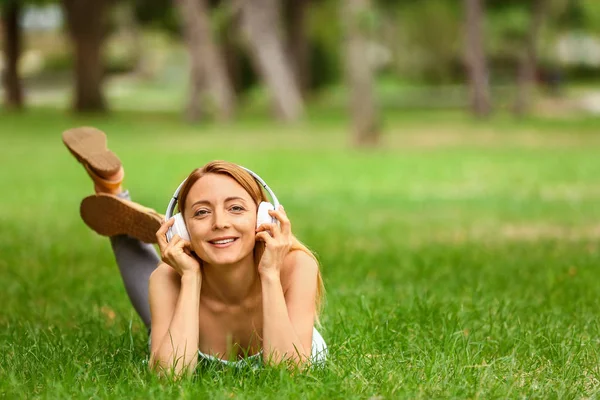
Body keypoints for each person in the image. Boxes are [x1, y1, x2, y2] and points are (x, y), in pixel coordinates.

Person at [62, 127, 327, 376]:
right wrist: (189, 278)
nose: (220, 222)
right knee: (162, 301)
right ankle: (112, 191)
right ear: (182, 228)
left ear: (263, 218)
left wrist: (269, 273)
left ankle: (112, 190)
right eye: (202, 212)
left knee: (159, 321)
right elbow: (169, 376)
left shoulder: (295, 266)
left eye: (236, 208)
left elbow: (289, 371)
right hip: (183, 308)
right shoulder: (170, 277)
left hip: (259, 273)